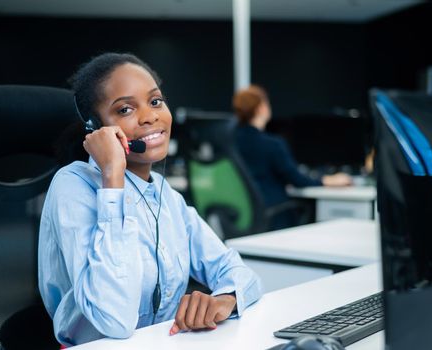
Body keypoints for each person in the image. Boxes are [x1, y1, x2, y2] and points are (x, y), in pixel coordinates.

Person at [38, 53, 262, 346]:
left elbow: (239, 272)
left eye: (155, 101)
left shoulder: (166, 196)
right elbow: (113, 320)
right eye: (126, 109)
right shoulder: (73, 187)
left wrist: (226, 297)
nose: (150, 116)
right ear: (96, 127)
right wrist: (112, 179)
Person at [232, 85, 352, 229]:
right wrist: (329, 180)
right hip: (273, 214)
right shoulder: (271, 144)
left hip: (243, 217)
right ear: (261, 108)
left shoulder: (228, 142)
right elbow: (297, 179)